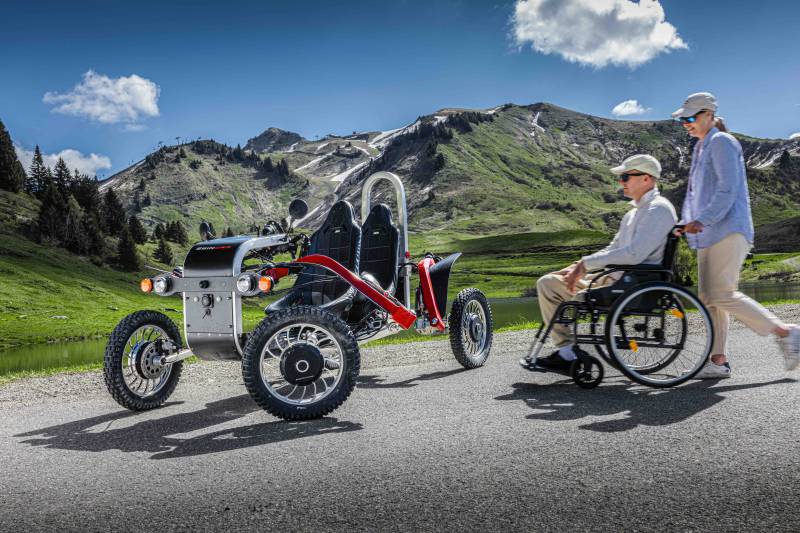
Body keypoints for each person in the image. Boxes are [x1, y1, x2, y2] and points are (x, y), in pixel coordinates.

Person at [673, 91, 800, 378]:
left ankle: (787, 332)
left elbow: (727, 190)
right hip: (708, 233)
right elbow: (696, 195)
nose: (686, 123)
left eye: (691, 118)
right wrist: (685, 223)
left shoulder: (722, 142)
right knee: (709, 297)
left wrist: (702, 220)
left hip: (728, 229)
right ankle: (717, 361)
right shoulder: (701, 148)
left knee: (721, 293)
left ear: (708, 115)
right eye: (683, 119)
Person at [521, 154, 677, 371]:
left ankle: (567, 354)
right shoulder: (633, 214)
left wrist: (585, 265)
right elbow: (612, 249)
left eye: (625, 177)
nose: (621, 182)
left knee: (562, 290)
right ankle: (567, 351)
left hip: (632, 286)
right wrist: (577, 266)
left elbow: (634, 254)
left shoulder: (659, 209)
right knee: (548, 283)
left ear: (647, 179)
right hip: (614, 281)